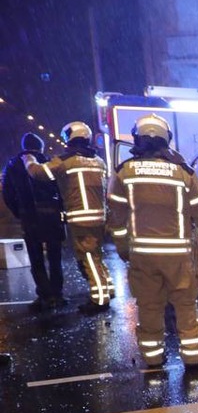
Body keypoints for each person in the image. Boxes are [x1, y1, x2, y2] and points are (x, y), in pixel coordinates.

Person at [106, 114, 198, 369]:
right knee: (186, 306)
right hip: (178, 256)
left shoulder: (124, 172)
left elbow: (117, 220)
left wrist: (124, 251)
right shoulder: (184, 173)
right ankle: (193, 357)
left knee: (150, 306)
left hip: (143, 256)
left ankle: (153, 357)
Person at [27, 122, 114, 313]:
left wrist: (30, 160)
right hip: (100, 217)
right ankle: (107, 287)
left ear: (69, 138)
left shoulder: (65, 161)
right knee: (97, 254)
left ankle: (100, 299)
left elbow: (39, 173)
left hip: (80, 218)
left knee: (89, 257)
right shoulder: (98, 161)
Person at [2, 133, 65, 311]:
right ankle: (57, 293)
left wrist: (19, 211)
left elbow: (7, 193)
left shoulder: (13, 164)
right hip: (51, 214)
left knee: (36, 258)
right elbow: (60, 188)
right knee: (54, 256)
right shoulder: (48, 162)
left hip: (29, 216)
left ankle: (44, 295)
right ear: (40, 147)